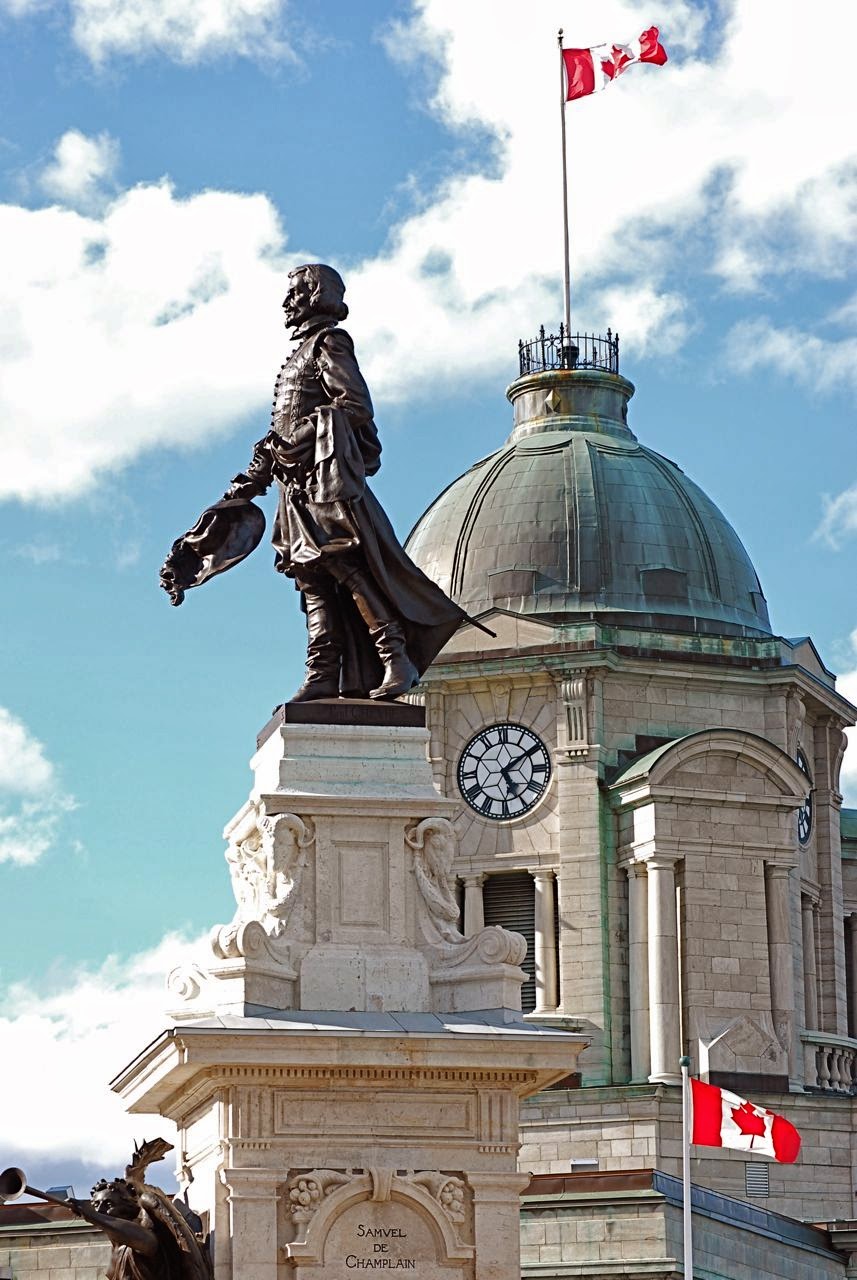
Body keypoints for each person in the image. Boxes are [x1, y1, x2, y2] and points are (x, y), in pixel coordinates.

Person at [162, 264, 467, 701]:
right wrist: (241, 490)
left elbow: (354, 404)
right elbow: (279, 443)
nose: (287, 303)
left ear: (314, 295)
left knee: (346, 568)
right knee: (312, 580)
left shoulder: (330, 342)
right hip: (295, 489)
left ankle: (395, 656)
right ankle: (323, 672)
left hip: (325, 483)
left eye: (294, 293)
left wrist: (294, 442)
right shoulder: (300, 351)